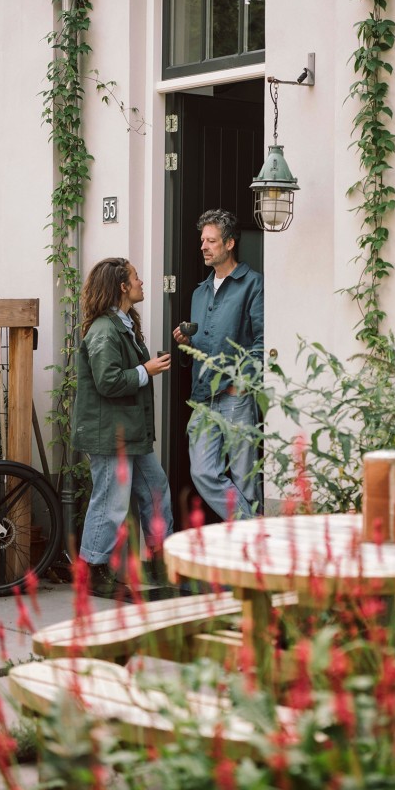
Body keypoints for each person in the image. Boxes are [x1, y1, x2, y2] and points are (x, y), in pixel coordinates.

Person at [72, 257, 173, 598]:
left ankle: (163, 560)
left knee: (155, 490)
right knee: (111, 502)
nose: (142, 281)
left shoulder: (125, 323)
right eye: (136, 277)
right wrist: (147, 369)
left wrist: (146, 368)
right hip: (109, 435)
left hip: (129, 433)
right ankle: (93, 571)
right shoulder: (104, 329)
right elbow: (108, 382)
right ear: (122, 286)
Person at [173, 209, 263, 521]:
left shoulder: (253, 285)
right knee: (202, 472)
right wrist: (186, 345)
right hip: (203, 397)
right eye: (202, 240)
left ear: (229, 244)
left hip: (236, 395)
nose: (203, 246)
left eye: (211, 240)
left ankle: (249, 554)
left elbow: (263, 340)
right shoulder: (199, 292)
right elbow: (198, 349)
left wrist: (244, 381)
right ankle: (251, 528)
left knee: (245, 478)